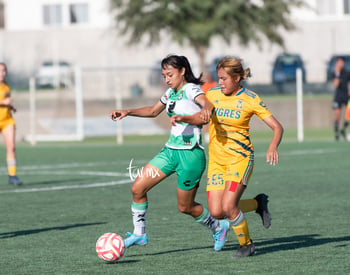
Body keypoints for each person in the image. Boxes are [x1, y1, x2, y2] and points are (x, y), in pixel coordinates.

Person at [110, 54, 230, 251]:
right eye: (164, 75)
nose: (166, 78)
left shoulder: (190, 89)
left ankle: (218, 227)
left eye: (170, 74)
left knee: (185, 207)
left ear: (182, 71)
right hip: (169, 153)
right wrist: (127, 111)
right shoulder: (170, 93)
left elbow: (204, 102)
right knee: (137, 189)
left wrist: (207, 107)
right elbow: (152, 111)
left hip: (190, 156)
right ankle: (139, 234)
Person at [175, 56, 283, 257]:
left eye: (224, 78)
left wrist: (273, 146)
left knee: (228, 206)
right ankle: (258, 204)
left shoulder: (251, 99)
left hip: (240, 159)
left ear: (238, 78)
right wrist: (184, 118)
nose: (220, 82)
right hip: (217, 161)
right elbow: (202, 116)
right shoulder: (212, 94)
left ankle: (247, 245)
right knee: (217, 212)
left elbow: (277, 127)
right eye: (219, 78)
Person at [332, 57, 350, 141]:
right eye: (339, 62)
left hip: (346, 96)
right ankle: (336, 132)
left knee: (348, 114)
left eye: (342, 63)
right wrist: (338, 73)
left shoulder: (347, 73)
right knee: (337, 114)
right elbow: (336, 84)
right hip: (338, 96)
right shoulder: (335, 73)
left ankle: (344, 129)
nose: (340, 64)